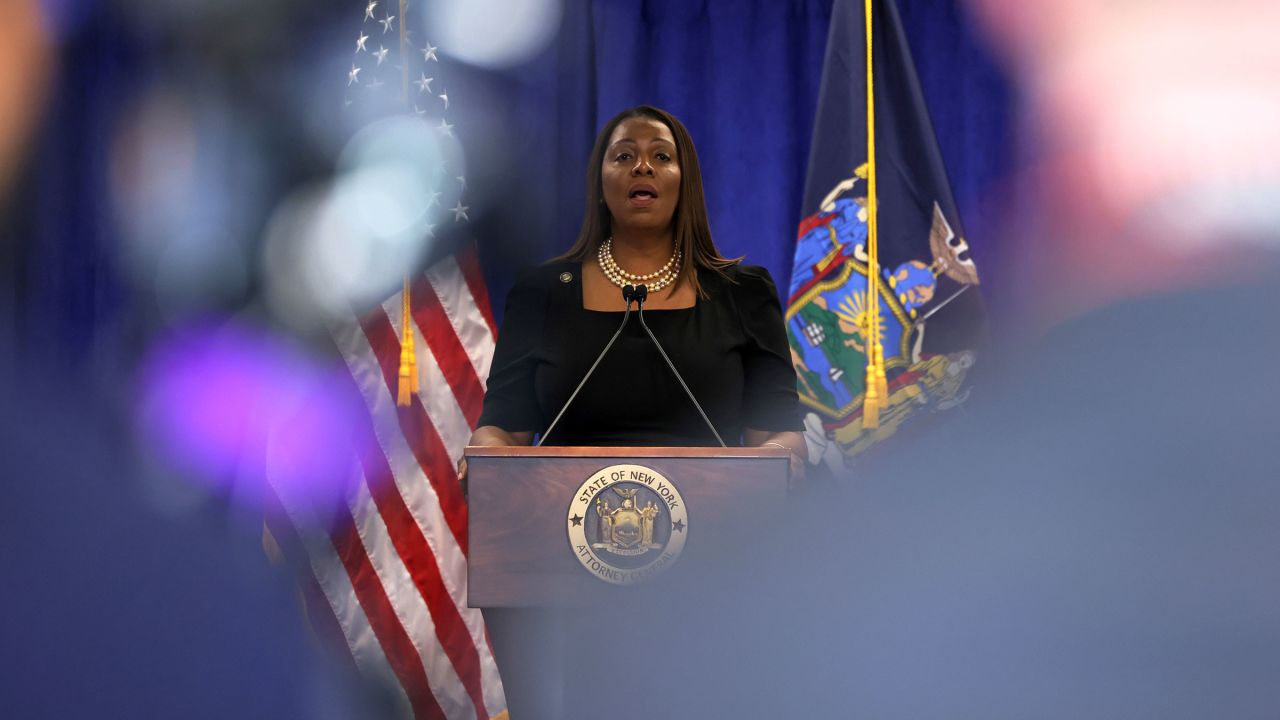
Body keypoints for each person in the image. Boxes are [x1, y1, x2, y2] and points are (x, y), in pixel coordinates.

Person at [465, 105, 805, 468]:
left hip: (717, 519)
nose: (643, 167)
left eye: (661, 156)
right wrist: (483, 454)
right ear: (599, 184)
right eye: (624, 155)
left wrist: (776, 461)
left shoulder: (743, 292)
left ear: (684, 183)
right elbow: (500, 429)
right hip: (562, 517)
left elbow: (779, 432)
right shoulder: (541, 293)